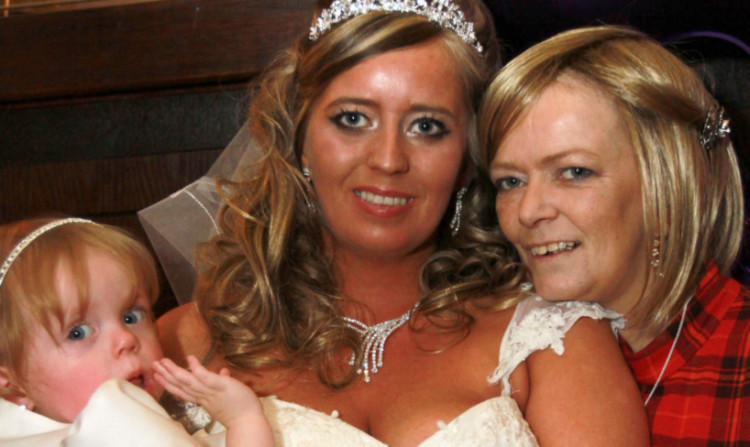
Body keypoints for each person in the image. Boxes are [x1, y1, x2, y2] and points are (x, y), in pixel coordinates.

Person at [152, 2, 649, 446]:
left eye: (427, 127)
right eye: (352, 119)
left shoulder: (553, 342)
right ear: (301, 138)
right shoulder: (185, 342)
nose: (389, 160)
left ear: (467, 161)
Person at [481, 25, 750, 446]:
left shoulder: (739, 354)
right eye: (510, 181)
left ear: (668, 179)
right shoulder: (496, 352)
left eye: (574, 172)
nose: (528, 211)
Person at [0, 217, 274, 447]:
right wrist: (244, 420)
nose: (126, 338)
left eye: (131, 316)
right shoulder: (125, 432)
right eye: (78, 333)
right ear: (12, 384)